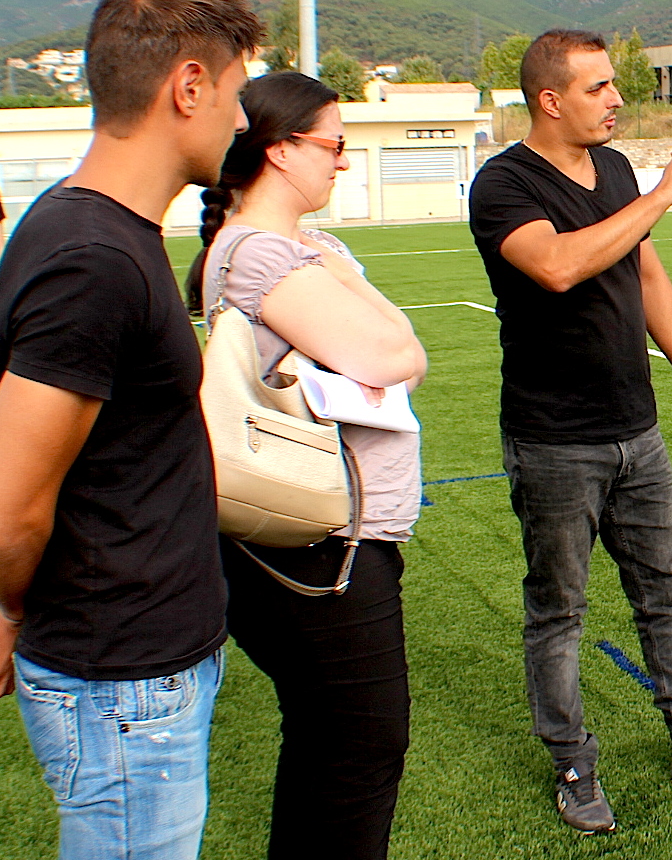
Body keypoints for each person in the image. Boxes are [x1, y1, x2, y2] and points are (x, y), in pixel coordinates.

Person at [468, 28, 672, 834]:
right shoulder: (503, 184)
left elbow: (644, 272)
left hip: (635, 431)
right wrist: (663, 193)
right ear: (550, 99)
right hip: (553, 439)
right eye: (598, 87)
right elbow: (558, 265)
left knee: (664, 595)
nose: (616, 99)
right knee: (558, 611)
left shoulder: (611, 168)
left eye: (613, 84)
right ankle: (573, 762)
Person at [0, 0, 260, 860]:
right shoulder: (91, 258)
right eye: (233, 93)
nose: (241, 120)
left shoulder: (103, 234)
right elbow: (7, 505)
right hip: (121, 681)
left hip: (134, 667)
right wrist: (11, 605)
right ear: (188, 86)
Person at [184, 71, 428, 859]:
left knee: (337, 743)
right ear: (281, 149)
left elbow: (397, 354)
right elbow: (396, 351)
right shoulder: (261, 254)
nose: (344, 162)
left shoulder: (304, 248)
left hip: (335, 539)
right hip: (318, 546)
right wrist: (360, 305)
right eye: (333, 144)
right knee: (359, 745)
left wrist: (346, 286)